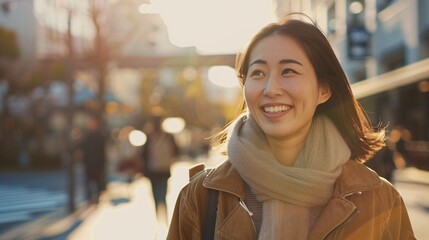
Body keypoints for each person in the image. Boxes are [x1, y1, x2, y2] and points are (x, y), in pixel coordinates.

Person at [167, 14, 415, 239]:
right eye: (258, 73)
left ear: (324, 90)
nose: (270, 89)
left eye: (288, 71)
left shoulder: (379, 200)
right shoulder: (201, 197)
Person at [141, 112, 179, 218]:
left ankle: (158, 217)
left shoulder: (149, 136)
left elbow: (143, 154)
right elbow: (176, 151)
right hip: (165, 170)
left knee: (155, 195)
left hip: (153, 171)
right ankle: (165, 218)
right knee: (163, 194)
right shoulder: (168, 136)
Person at [79, 115, 106, 203]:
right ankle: (89, 198)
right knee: (88, 182)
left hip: (97, 163)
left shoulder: (99, 136)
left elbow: (102, 152)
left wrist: (102, 164)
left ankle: (96, 197)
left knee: (97, 181)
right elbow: (82, 147)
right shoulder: (87, 135)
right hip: (88, 162)